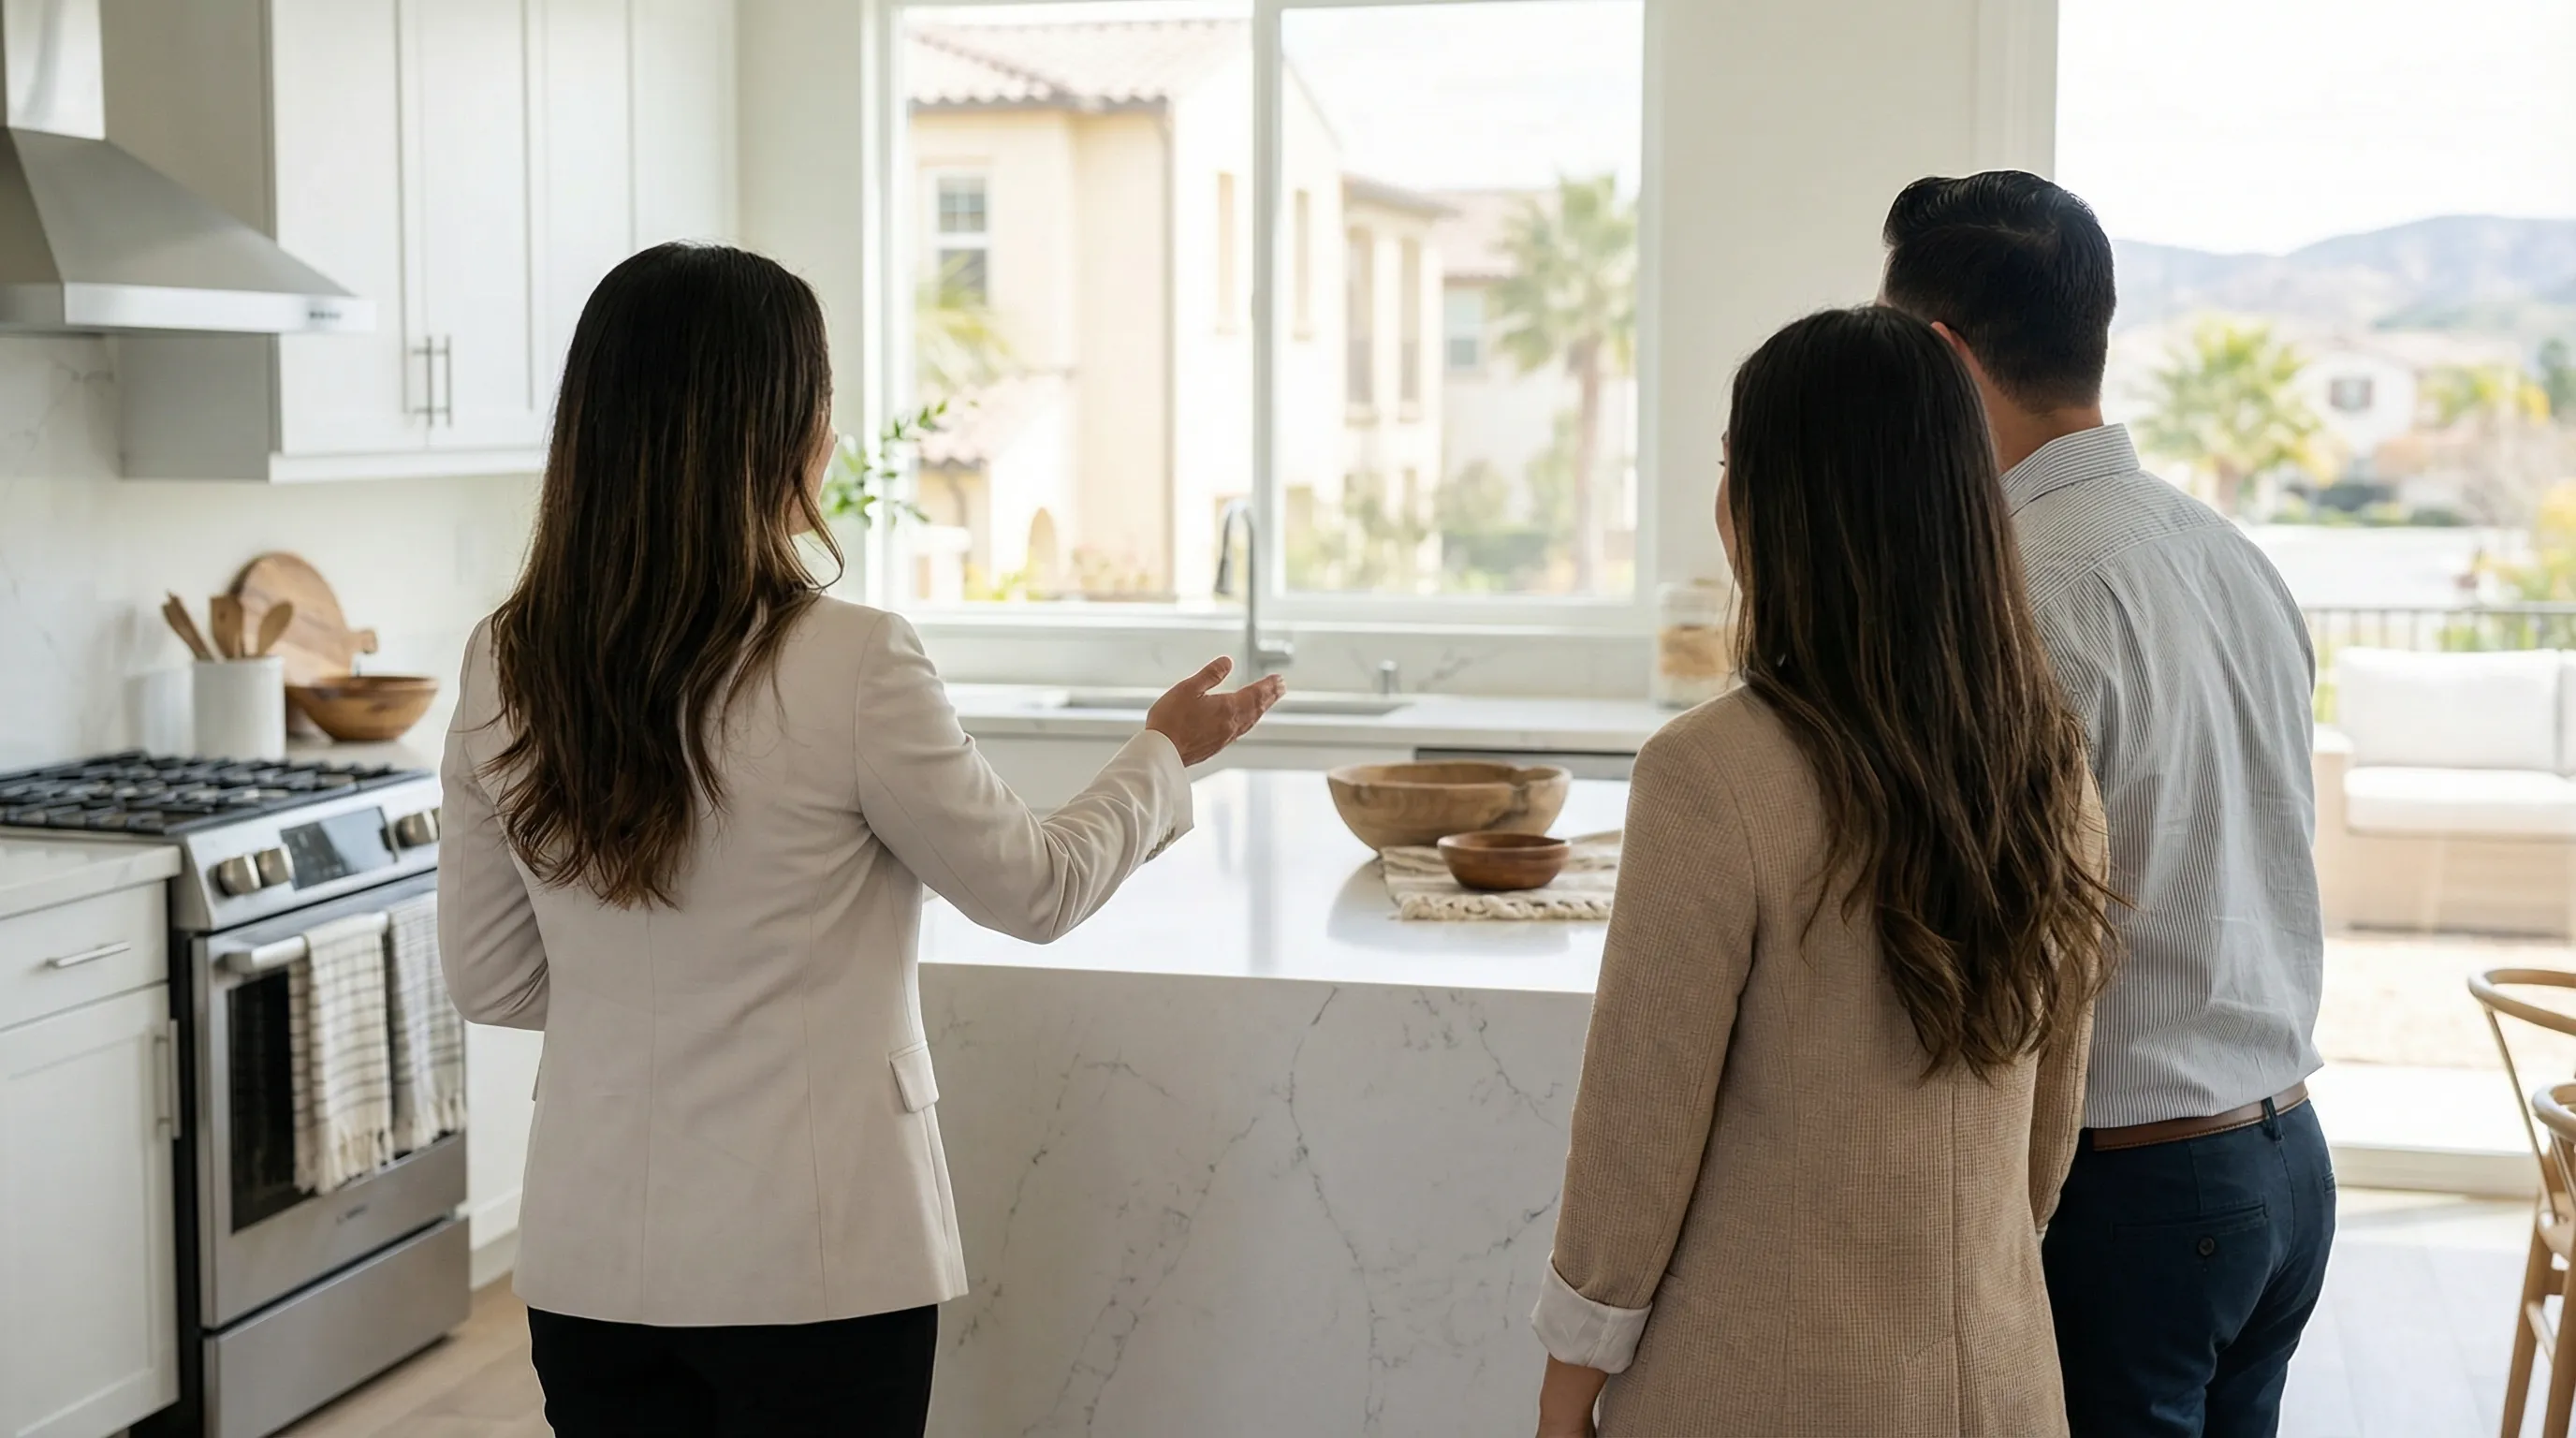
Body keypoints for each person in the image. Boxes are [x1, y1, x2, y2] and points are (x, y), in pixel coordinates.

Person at [435, 242, 1282, 1436]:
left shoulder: (501, 660)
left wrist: (649, 1006)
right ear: (783, 435)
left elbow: (493, 977)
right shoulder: (852, 660)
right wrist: (1161, 756)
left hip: (591, 1265)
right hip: (817, 1266)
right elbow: (1034, 889)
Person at [1530, 306, 2119, 1437]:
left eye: (1728, 468)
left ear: (1774, 506)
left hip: (1760, 1382)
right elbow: (2049, 1133)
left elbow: (1634, 1138)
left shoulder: (1708, 774)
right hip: (2001, 1379)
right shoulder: (2048, 760)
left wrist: (1568, 1390)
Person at [1881, 170, 2334, 1437]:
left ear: (1935, 356)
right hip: (2287, 1162)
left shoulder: (2015, 588)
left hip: (2138, 1195)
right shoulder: (2229, 552)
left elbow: (1981, 924)